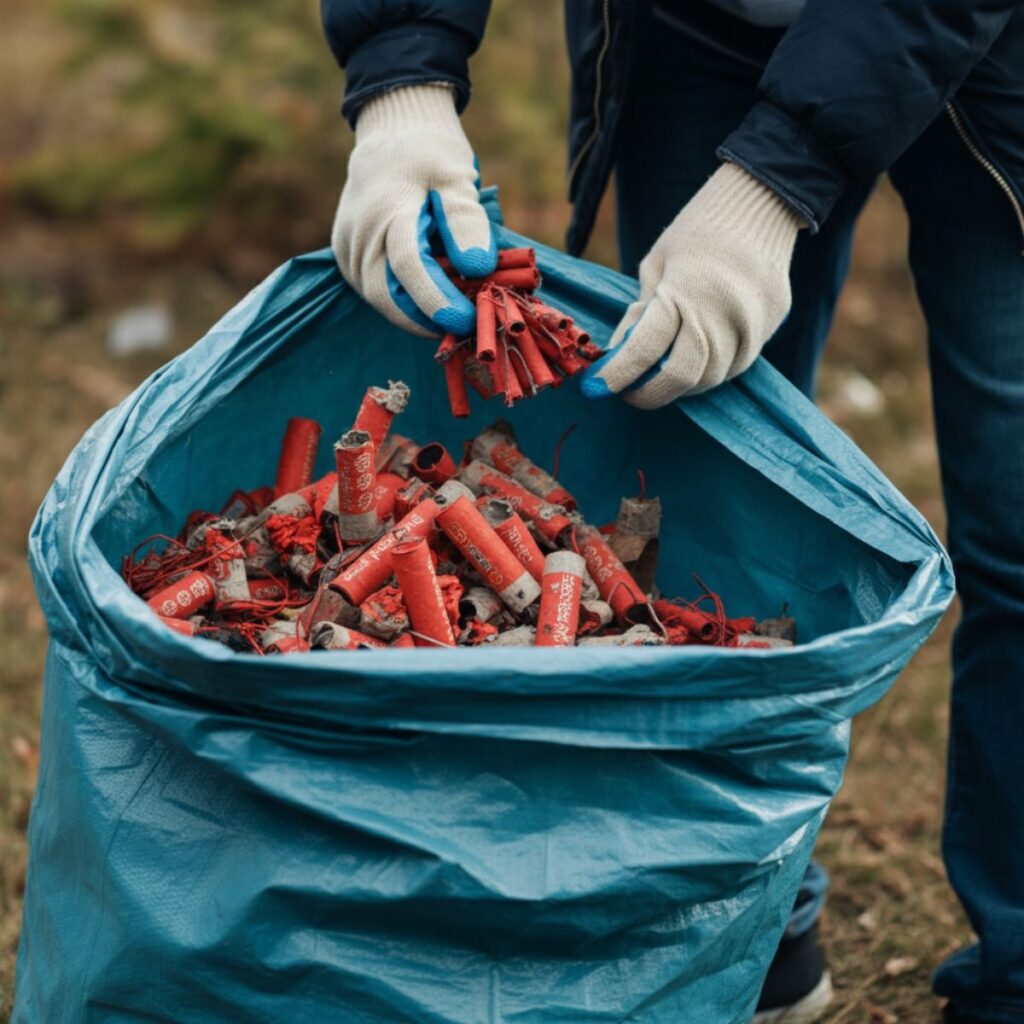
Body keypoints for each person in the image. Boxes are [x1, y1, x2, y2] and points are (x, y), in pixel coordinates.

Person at [320, 2, 1024, 1021]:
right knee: (695, 480)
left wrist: (772, 181)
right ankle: (740, 925)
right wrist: (402, 79)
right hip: (701, 26)